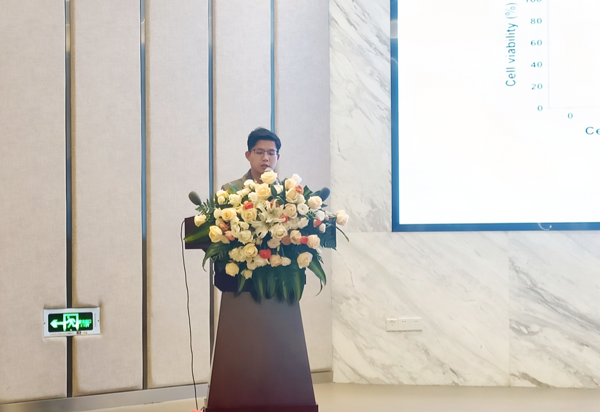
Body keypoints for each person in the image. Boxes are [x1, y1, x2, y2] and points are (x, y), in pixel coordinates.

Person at [222, 127, 281, 191]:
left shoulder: (285, 192)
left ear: (277, 157)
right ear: (248, 155)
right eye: (259, 152)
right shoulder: (229, 190)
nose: (265, 158)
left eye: (271, 153)